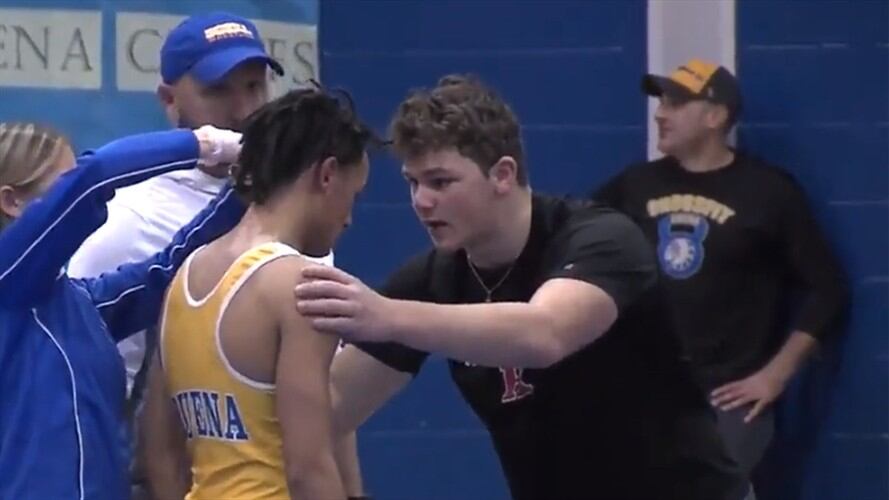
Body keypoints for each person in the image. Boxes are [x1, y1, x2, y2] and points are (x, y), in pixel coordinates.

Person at [293, 74, 746, 500]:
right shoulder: (433, 280)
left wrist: (385, 315)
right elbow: (327, 409)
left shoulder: (601, 239)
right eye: (413, 183)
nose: (422, 200)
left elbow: (544, 333)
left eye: (441, 181)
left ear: (503, 175)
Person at [65, 11, 359, 498]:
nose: (244, 110)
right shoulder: (124, 220)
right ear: (169, 100)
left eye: (254, 86)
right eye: (219, 90)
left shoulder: (306, 226)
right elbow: (81, 382)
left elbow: (325, 399)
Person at [591, 59, 850, 497]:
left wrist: (776, 375)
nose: (660, 113)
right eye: (660, 102)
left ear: (716, 116)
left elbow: (829, 291)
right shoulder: (633, 187)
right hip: (647, 393)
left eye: (675, 103)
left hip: (726, 400)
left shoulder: (769, 192)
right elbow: (581, 258)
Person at [142, 88, 377, 500]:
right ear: (327, 175)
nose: (350, 219)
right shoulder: (301, 287)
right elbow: (309, 468)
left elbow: (160, 454)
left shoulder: (184, 277)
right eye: (352, 196)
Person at [0, 123, 244, 500]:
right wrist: (208, 144)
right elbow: (95, 178)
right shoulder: (6, 281)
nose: (74, 195)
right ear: (12, 202)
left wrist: (248, 187)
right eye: (64, 183)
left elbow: (170, 267)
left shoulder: (80, 301)